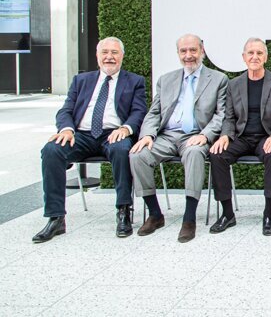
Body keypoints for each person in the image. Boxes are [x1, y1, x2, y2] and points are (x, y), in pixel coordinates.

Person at [33, 37, 147, 243]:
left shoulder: (135, 81)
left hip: (114, 133)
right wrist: (66, 129)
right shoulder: (81, 80)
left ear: (122, 56)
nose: (109, 57)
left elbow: (139, 112)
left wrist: (126, 128)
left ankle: (123, 211)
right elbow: (66, 109)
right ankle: (55, 217)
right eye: (105, 52)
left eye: (114, 53)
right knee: (51, 150)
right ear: (97, 56)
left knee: (122, 150)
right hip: (81, 135)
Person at [129, 34, 228, 243]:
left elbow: (222, 114)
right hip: (166, 136)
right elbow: (154, 112)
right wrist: (147, 135)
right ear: (178, 54)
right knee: (137, 154)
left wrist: (205, 135)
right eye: (183, 51)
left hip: (195, 136)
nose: (188, 55)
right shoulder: (166, 80)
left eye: (193, 50)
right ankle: (155, 214)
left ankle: (189, 218)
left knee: (193, 154)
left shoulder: (218, 79)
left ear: (202, 51)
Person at [208, 38, 271, 236]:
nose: (255, 57)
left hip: (267, 136)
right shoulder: (233, 84)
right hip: (242, 136)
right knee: (217, 154)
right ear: (243, 57)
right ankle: (228, 214)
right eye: (251, 53)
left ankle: (269, 214)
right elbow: (229, 117)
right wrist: (225, 136)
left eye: (259, 53)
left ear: (266, 57)